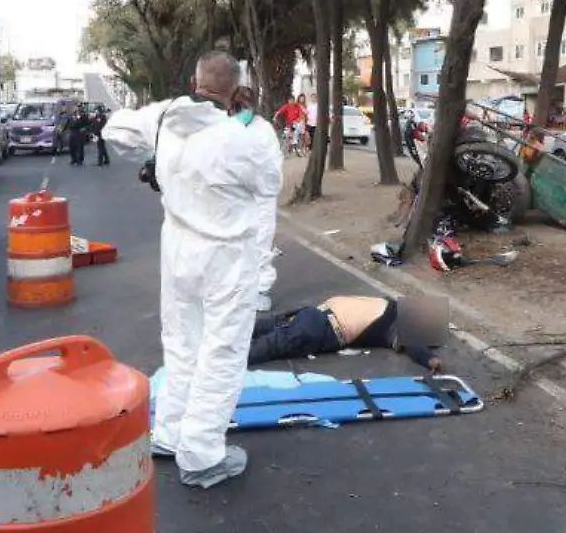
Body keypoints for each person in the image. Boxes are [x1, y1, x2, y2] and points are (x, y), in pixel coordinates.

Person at [103, 52, 283, 488]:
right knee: (220, 353)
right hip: (227, 258)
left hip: (178, 250)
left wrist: (160, 153)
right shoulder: (249, 137)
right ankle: (201, 454)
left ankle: (168, 433)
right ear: (237, 88)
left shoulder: (165, 119)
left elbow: (114, 131)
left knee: (182, 345)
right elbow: (269, 185)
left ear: (194, 80)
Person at [249, 294, 447, 372]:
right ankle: (221, 359)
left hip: (311, 314)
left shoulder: (385, 304)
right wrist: (430, 359)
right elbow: (414, 345)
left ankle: (220, 343)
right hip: (318, 328)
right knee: (259, 348)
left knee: (253, 328)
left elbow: (413, 344)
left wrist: (428, 357)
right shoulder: (393, 322)